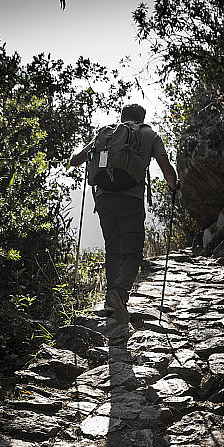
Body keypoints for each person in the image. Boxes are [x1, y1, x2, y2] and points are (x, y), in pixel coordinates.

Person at [69, 103, 178, 324]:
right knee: (133, 252)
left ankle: (111, 302)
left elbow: (75, 160)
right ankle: (119, 293)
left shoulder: (106, 133)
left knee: (112, 249)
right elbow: (166, 167)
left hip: (104, 199)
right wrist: (174, 185)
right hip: (131, 199)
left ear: (122, 116)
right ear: (142, 118)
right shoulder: (149, 134)